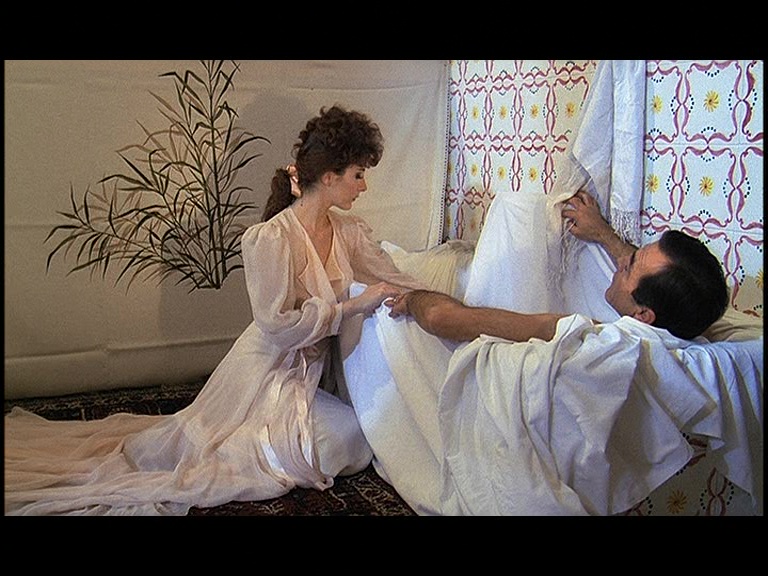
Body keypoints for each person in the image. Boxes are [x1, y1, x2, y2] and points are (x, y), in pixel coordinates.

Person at [5, 105, 426, 515]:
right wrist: (353, 305)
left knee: (358, 438)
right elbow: (277, 326)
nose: (363, 187)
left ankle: (267, 442)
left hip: (314, 373)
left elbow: (391, 275)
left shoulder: (349, 232)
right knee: (340, 442)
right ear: (330, 176)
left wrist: (441, 298)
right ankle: (244, 442)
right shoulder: (271, 238)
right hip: (269, 372)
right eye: (358, 175)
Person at [386, 189, 729, 341]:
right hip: (463, 267)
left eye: (628, 267)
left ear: (643, 314)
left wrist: (413, 300)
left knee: (514, 208)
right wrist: (604, 233)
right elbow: (640, 268)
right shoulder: (679, 323)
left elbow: (442, 318)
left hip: (442, 300)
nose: (621, 260)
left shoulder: (592, 336)